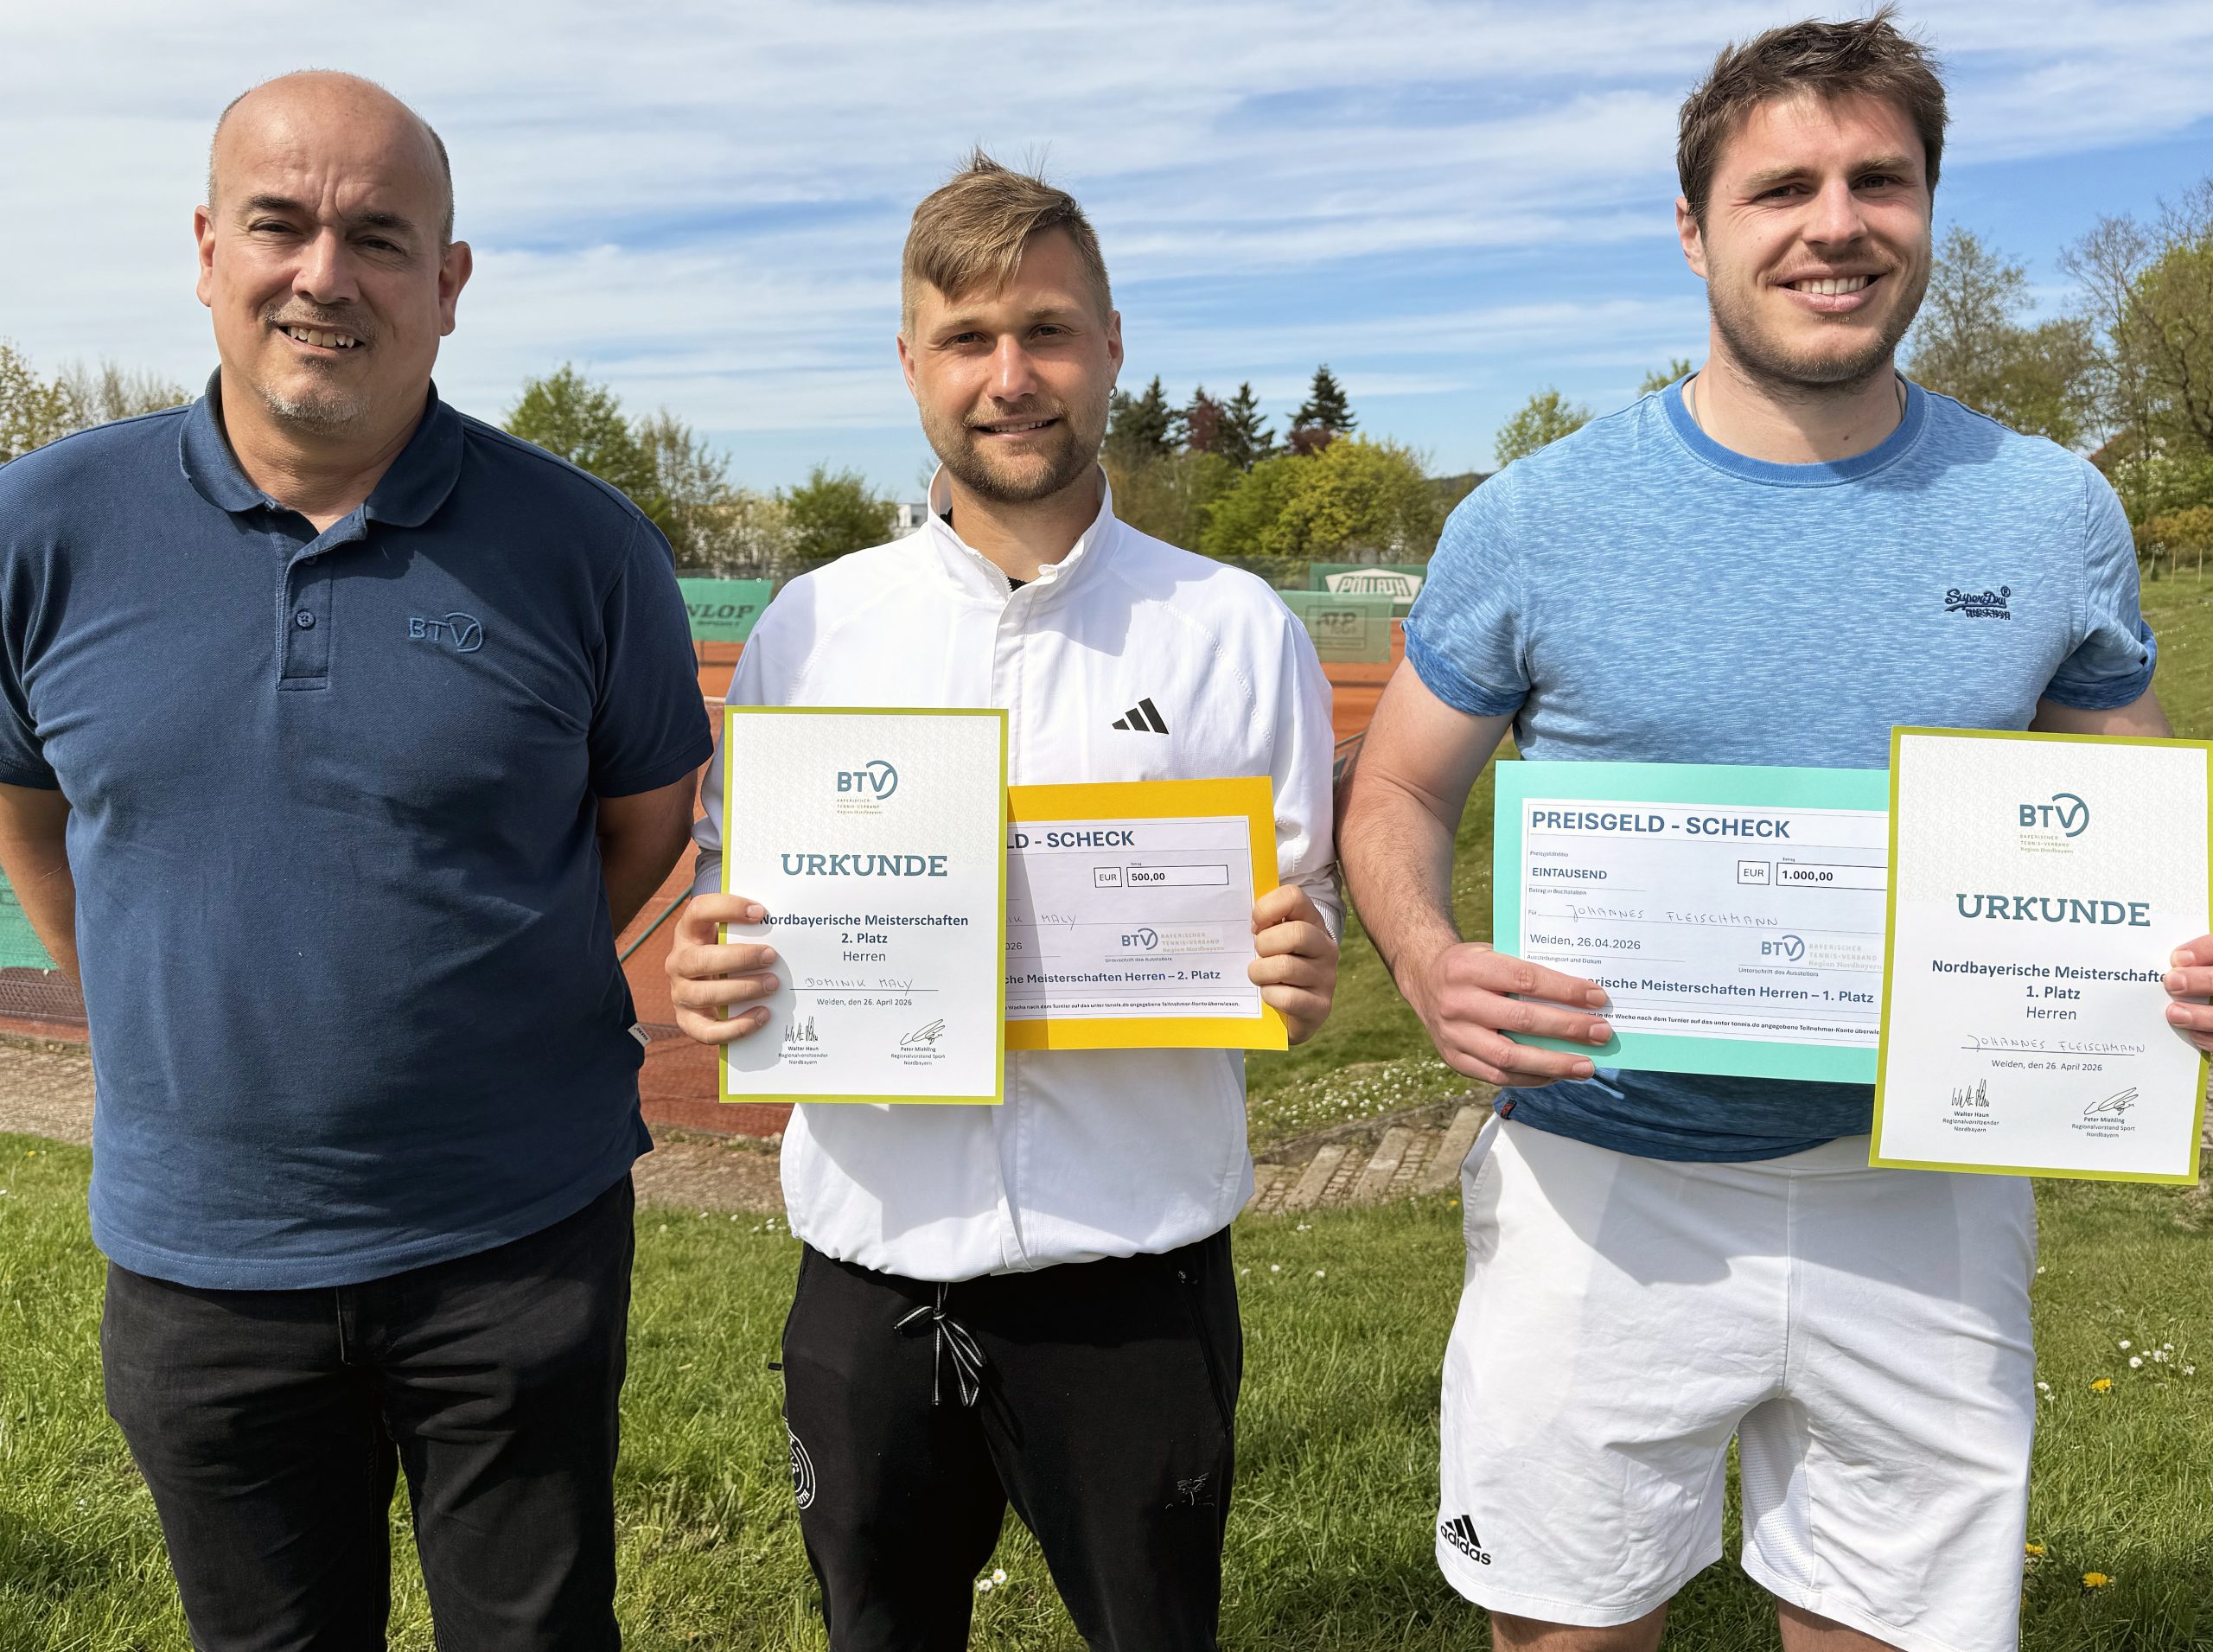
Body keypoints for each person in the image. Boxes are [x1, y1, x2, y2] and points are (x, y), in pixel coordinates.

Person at [1341, 14, 2198, 1652]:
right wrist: (1430, 955)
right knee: (1571, 1634)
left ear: (1930, 212)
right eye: (1781, 186)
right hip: (1603, 1182)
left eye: (1882, 180)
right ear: (1695, 228)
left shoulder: (2049, 507)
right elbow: (1396, 791)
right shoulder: (1537, 512)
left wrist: (2178, 963)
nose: (1837, 223)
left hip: (1922, 1189)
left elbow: (2130, 836)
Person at [0, 72, 710, 1649]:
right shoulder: (39, 527)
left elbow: (645, 829)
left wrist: (466, 983)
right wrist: (150, 991)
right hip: (202, 1255)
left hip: (517, 1237)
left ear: (447, 286)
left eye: (381, 237)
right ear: (206, 250)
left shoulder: (585, 546)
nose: (326, 273)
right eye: (281, 224)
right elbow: (28, 812)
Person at [666, 153, 1340, 1651]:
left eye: (1047, 330)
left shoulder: (1235, 628)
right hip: (868, 1270)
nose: (1010, 375)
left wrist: (1301, 958)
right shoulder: (815, 625)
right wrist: (717, 971)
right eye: (968, 340)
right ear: (912, 364)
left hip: (1136, 1275)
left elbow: (1294, 907)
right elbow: (740, 901)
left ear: (1110, 346)